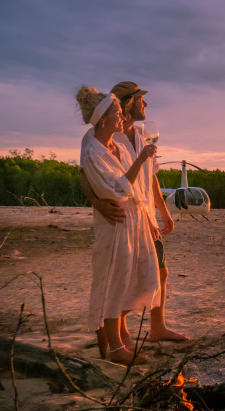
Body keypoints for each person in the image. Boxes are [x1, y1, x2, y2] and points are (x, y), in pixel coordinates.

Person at [80, 82, 187, 345]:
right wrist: (97, 202)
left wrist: (163, 212)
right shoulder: (107, 135)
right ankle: (119, 333)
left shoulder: (139, 134)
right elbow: (84, 173)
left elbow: (151, 178)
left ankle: (157, 327)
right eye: (141, 99)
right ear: (128, 102)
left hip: (145, 215)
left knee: (159, 272)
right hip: (122, 216)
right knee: (125, 275)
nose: (146, 104)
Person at [76, 86, 159, 364]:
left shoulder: (119, 142)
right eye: (117, 111)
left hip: (133, 219)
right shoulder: (92, 149)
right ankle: (112, 347)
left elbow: (141, 185)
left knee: (126, 280)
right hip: (115, 222)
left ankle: (120, 341)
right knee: (111, 280)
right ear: (102, 118)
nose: (122, 115)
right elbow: (120, 187)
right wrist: (142, 158)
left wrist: (150, 217)